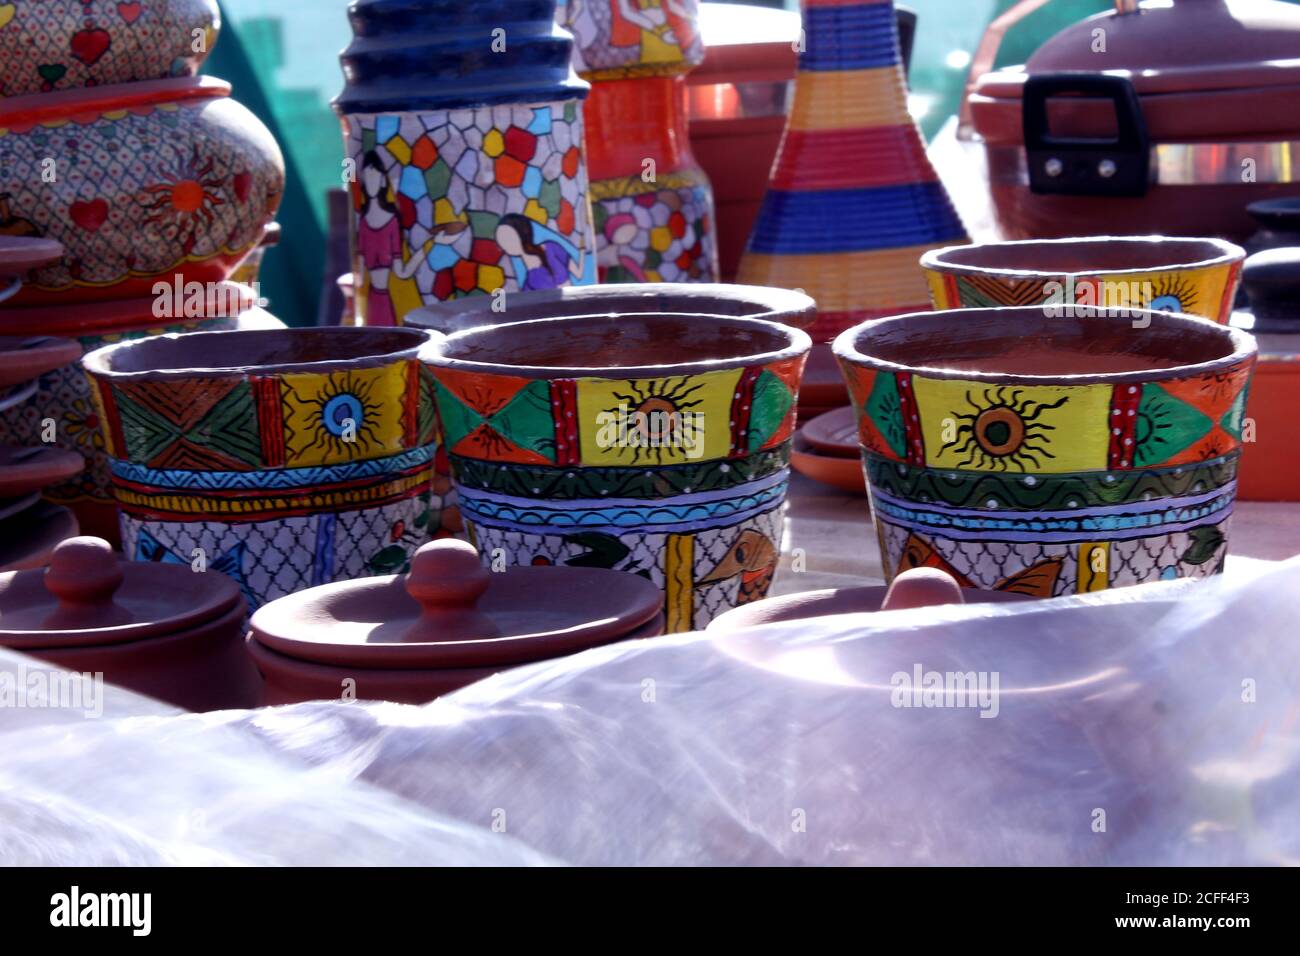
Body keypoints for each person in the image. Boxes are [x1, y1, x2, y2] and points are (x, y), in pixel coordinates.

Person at [355, 151, 426, 326]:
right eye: (367, 176)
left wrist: (427, 247)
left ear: (382, 181)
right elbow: (361, 275)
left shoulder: (392, 222)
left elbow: (402, 272)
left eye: (375, 176)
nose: (371, 182)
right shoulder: (363, 224)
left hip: (387, 300)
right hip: (370, 302)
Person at [495, 214, 587, 291]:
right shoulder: (528, 283)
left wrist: (582, 250)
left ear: (522, 233)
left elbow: (579, 275)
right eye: (501, 241)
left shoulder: (552, 247)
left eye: (506, 238)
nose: (503, 246)